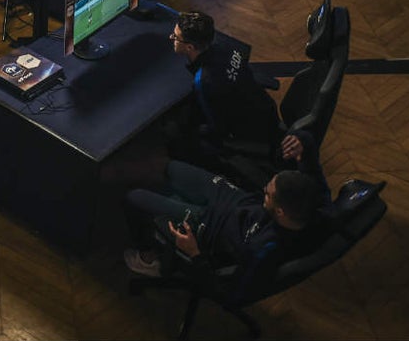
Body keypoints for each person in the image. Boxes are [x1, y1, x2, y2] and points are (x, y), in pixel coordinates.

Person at [122, 130, 330, 305]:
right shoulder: (316, 198)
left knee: (133, 198)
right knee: (169, 166)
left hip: (208, 225)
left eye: (268, 194)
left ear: (280, 212)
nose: (264, 190)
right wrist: (300, 140)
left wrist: (195, 254)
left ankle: (149, 259)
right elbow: (309, 146)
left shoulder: (264, 248)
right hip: (226, 195)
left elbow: (232, 296)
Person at [170, 11, 279, 151]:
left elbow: (217, 125)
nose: (171, 37)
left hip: (251, 131)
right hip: (266, 109)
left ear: (189, 47)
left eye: (175, 37)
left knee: (178, 131)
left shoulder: (204, 82)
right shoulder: (228, 47)